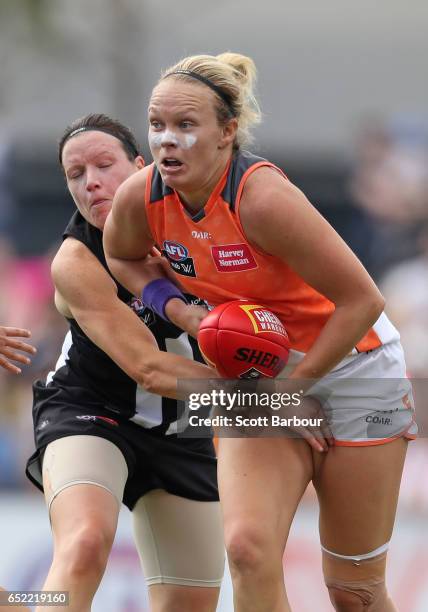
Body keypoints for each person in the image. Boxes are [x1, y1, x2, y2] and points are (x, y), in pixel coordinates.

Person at [103, 53, 416, 612]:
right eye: (156, 125)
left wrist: (294, 395)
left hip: (353, 369)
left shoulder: (262, 198)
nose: (166, 141)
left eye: (185, 126)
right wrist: (181, 313)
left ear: (227, 132)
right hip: (255, 378)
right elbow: (122, 256)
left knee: (355, 592)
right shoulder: (142, 196)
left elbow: (364, 300)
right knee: (247, 550)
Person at [25, 114, 224, 612]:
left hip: (184, 430)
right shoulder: (74, 262)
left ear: (143, 167)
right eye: (75, 174)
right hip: (90, 413)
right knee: (86, 542)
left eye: (104, 165)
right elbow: (149, 369)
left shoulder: (205, 230)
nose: (90, 181)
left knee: (189, 601)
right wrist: (272, 401)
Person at [0, 326, 35, 612]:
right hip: (98, 423)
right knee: (85, 541)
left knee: (188, 592)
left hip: (183, 441)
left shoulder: (200, 301)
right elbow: (145, 368)